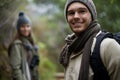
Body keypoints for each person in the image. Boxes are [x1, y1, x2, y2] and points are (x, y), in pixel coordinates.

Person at [59, 0, 120, 80]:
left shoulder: (107, 46)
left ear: (92, 16)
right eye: (71, 13)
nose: (76, 16)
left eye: (82, 11)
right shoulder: (69, 49)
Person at [8, 12, 40, 80]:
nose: (26, 29)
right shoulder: (16, 45)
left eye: (28, 26)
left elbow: (34, 66)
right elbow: (16, 69)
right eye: (22, 26)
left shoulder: (31, 44)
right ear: (18, 29)